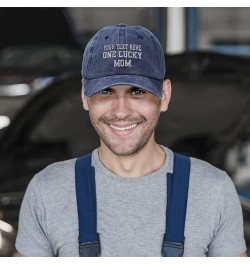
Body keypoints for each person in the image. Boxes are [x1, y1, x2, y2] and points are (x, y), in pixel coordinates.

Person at [15, 24, 247, 257]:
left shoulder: (213, 190)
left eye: (138, 91)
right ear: (85, 96)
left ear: (164, 96)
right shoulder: (47, 190)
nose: (121, 111)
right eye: (105, 91)